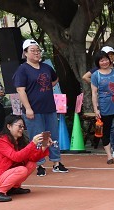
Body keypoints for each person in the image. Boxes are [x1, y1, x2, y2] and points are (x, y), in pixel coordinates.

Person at [13, 39, 68, 176]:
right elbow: (20, 90)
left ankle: (56, 162)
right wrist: (28, 108)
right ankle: (40, 164)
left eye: (38, 50)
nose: (36, 53)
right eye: (33, 50)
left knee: (53, 135)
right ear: (25, 53)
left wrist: (46, 87)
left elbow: (55, 79)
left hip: (49, 107)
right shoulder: (22, 69)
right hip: (34, 110)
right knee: (37, 137)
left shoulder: (46, 67)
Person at [0, 114, 54, 202]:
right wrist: (33, 144)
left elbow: (32, 158)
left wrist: (44, 146)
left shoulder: (19, 141)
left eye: (23, 127)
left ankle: (13, 188)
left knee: (31, 164)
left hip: (2, 175)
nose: (22, 129)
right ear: (9, 126)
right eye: (19, 126)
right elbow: (16, 157)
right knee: (21, 170)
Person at [82, 46, 114, 159]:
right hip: (105, 106)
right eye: (101, 60)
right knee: (107, 130)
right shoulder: (95, 75)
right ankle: (110, 155)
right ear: (98, 62)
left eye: (106, 59)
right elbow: (94, 93)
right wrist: (96, 109)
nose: (104, 62)